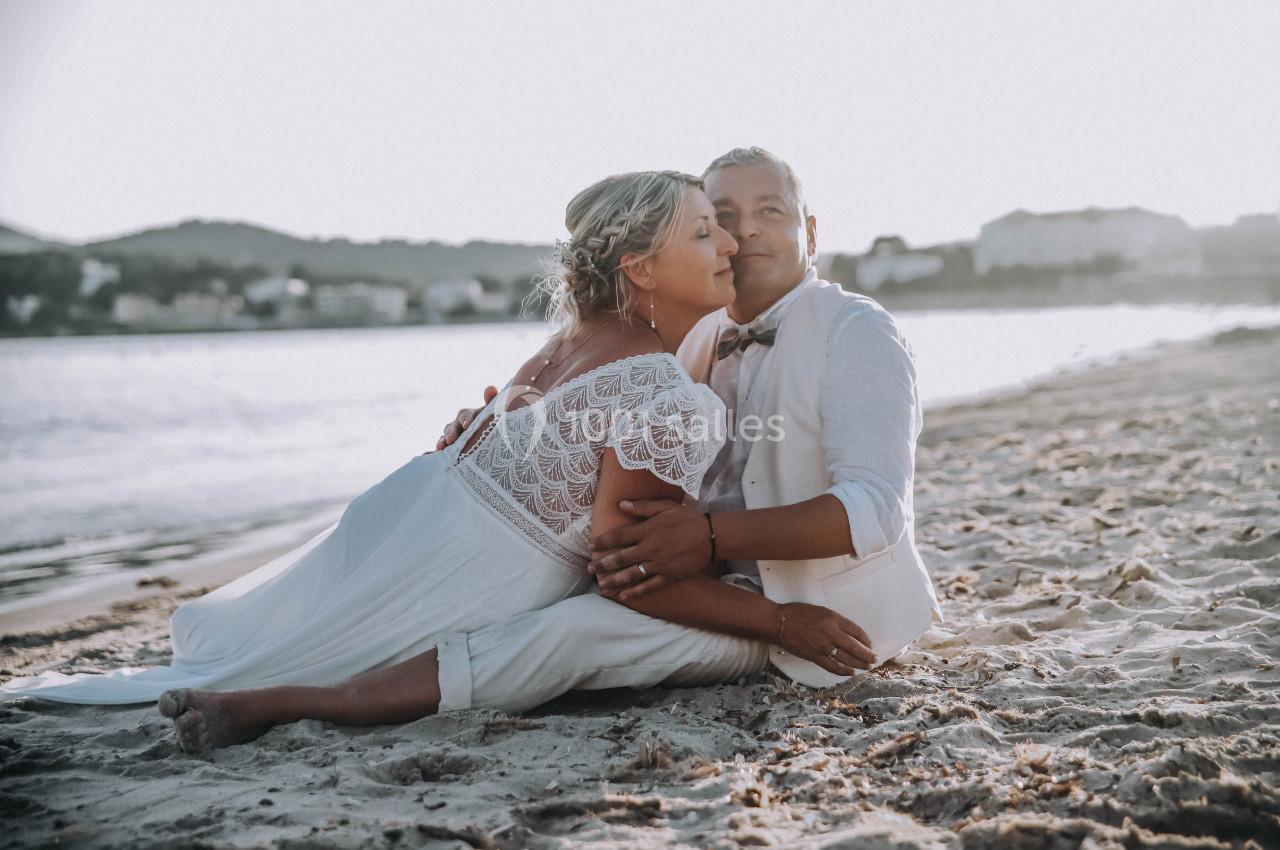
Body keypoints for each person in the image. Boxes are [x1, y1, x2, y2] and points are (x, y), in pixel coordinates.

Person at [4, 169, 851, 754]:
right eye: (704, 232)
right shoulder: (659, 390)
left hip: (410, 515)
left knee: (251, 655)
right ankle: (266, 705)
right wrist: (783, 622)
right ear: (641, 268)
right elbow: (635, 573)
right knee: (299, 667)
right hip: (458, 564)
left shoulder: (578, 340)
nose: (729, 247)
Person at [428, 147, 941, 714]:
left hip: (819, 617)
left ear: (811, 234)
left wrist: (712, 535)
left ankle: (361, 696)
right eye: (723, 216)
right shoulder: (694, 329)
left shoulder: (858, 330)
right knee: (538, 591)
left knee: (572, 632)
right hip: (700, 586)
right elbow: (601, 420)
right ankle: (397, 649)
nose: (744, 232)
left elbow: (873, 511)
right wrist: (499, 432)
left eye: (770, 211)